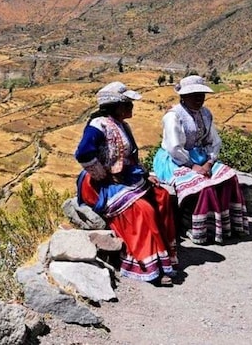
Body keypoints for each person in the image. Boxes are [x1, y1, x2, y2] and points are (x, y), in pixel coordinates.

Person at [75, 81, 178, 285]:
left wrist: (144, 174)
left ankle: (166, 255)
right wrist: (102, 174)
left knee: (162, 196)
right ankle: (149, 266)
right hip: (100, 184)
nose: (131, 107)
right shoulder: (98, 126)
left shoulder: (123, 126)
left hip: (126, 177)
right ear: (116, 105)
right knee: (143, 209)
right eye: (128, 103)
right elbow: (83, 153)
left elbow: (130, 156)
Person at [153, 75, 249, 244]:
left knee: (229, 177)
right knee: (202, 184)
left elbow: (214, 141)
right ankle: (194, 226)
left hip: (201, 157)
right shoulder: (173, 116)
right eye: (194, 94)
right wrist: (193, 166)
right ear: (183, 96)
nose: (199, 98)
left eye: (201, 94)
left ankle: (225, 226)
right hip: (174, 160)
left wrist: (209, 162)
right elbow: (174, 147)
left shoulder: (205, 114)